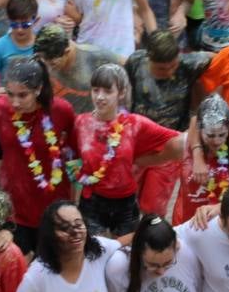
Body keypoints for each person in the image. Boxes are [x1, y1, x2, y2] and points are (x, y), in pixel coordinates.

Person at [75, 64, 183, 235]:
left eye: (107, 91)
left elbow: (178, 140)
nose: (100, 97)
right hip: (92, 201)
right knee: (94, 254)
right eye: (96, 90)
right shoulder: (81, 123)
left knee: (125, 255)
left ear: (122, 93)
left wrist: (152, 160)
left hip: (125, 203)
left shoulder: (135, 124)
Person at [0, 58, 79, 254]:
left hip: (54, 204)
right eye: (10, 94)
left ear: (38, 89)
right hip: (15, 206)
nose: (15, 102)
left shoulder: (61, 111)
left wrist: (77, 203)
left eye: (23, 95)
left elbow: (75, 153)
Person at [30, 23, 126, 116]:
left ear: (67, 52)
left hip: (90, 120)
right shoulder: (40, 58)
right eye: (44, 62)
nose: (48, 68)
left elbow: (129, 63)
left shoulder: (95, 57)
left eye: (52, 64)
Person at [0, 0, 39, 101]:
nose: (19, 29)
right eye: (14, 24)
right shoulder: (0, 46)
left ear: (35, 19)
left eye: (25, 24)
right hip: (10, 100)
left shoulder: (41, 45)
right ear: (8, 20)